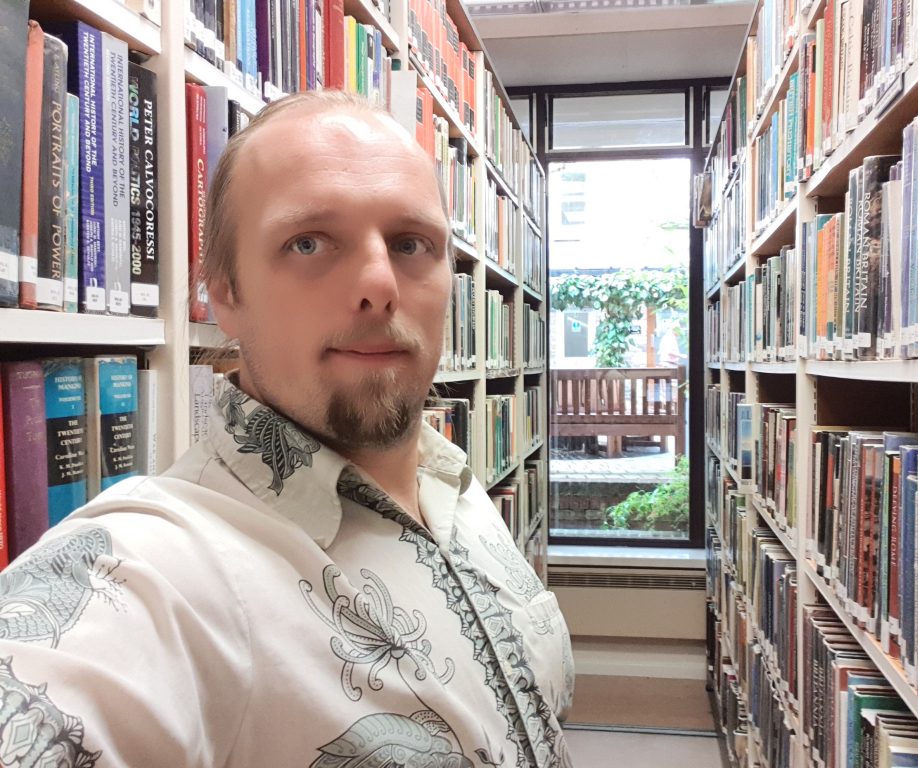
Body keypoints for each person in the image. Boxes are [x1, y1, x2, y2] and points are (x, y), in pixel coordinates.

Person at [0, 90, 575, 767]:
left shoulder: (453, 480)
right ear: (225, 293)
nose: (378, 282)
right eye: (308, 243)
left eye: (411, 243)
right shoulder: (155, 571)